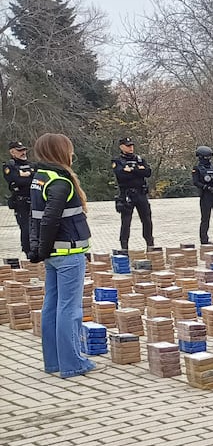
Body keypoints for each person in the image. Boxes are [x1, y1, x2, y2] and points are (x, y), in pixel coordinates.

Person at [28, 133, 97, 378]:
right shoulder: (61, 182)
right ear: (59, 152)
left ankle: (54, 362)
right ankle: (73, 363)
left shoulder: (40, 178)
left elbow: (36, 217)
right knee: (70, 309)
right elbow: (49, 220)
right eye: (69, 149)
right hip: (68, 252)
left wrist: (36, 249)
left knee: (52, 305)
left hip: (55, 254)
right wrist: (40, 249)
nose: (72, 153)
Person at [112, 137, 154, 251]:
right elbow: (121, 176)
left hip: (141, 193)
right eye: (128, 146)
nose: (130, 148)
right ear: (121, 147)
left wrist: (132, 170)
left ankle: (150, 244)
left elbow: (148, 172)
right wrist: (138, 171)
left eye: (131, 146)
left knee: (147, 220)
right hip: (127, 195)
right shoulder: (118, 161)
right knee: (126, 222)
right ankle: (124, 247)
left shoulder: (139, 159)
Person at [191, 146, 213, 245]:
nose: (208, 159)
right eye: (206, 157)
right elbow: (196, 182)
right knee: (205, 219)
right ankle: (204, 240)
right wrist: (206, 187)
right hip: (206, 195)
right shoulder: (197, 169)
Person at [5, 139, 34, 253]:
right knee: (26, 228)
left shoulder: (31, 164)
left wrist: (27, 175)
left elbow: (37, 178)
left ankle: (37, 250)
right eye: (20, 151)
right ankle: (28, 252)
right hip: (21, 202)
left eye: (24, 150)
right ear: (12, 152)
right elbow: (16, 180)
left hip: (34, 200)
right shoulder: (9, 166)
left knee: (36, 227)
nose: (23, 153)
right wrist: (26, 177)